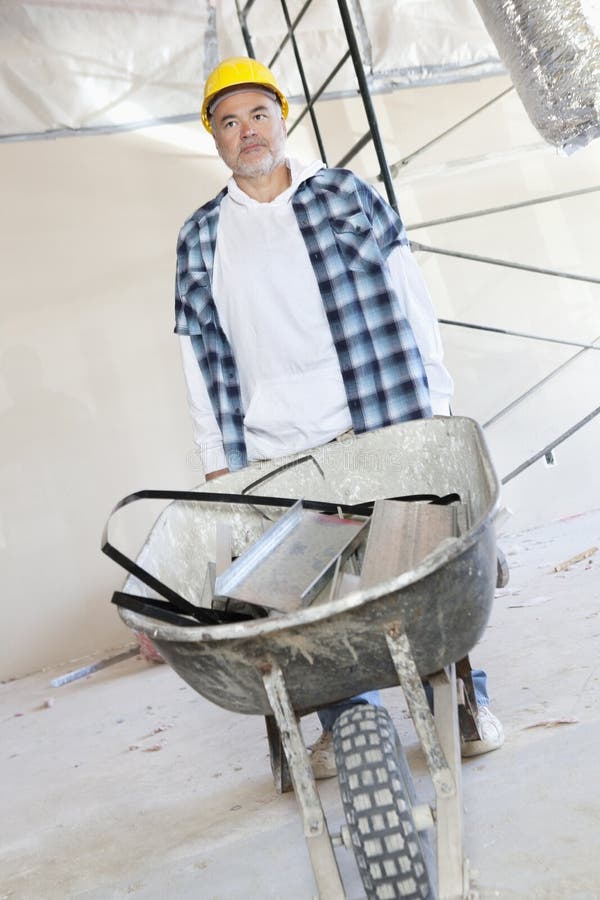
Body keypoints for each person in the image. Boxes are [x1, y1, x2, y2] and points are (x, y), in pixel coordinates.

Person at [174, 56, 504, 776]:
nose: (247, 131)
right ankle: (351, 720)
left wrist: (436, 405)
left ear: (281, 118)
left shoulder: (345, 195)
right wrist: (218, 461)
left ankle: (460, 701)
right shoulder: (201, 237)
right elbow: (198, 354)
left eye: (258, 114)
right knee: (316, 605)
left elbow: (410, 296)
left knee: (418, 572)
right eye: (228, 122)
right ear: (215, 139)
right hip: (279, 450)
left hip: (379, 422)